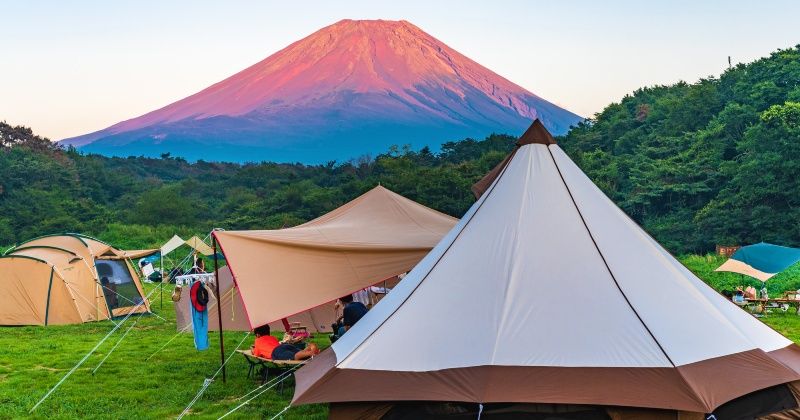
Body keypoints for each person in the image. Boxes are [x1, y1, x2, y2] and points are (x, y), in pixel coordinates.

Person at [252, 324, 319, 361]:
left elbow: (256, 354)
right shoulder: (273, 337)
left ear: (258, 335)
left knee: (295, 356)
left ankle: (311, 352)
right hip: (284, 346)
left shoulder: (257, 340)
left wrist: (253, 350)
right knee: (301, 353)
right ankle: (311, 347)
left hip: (275, 352)